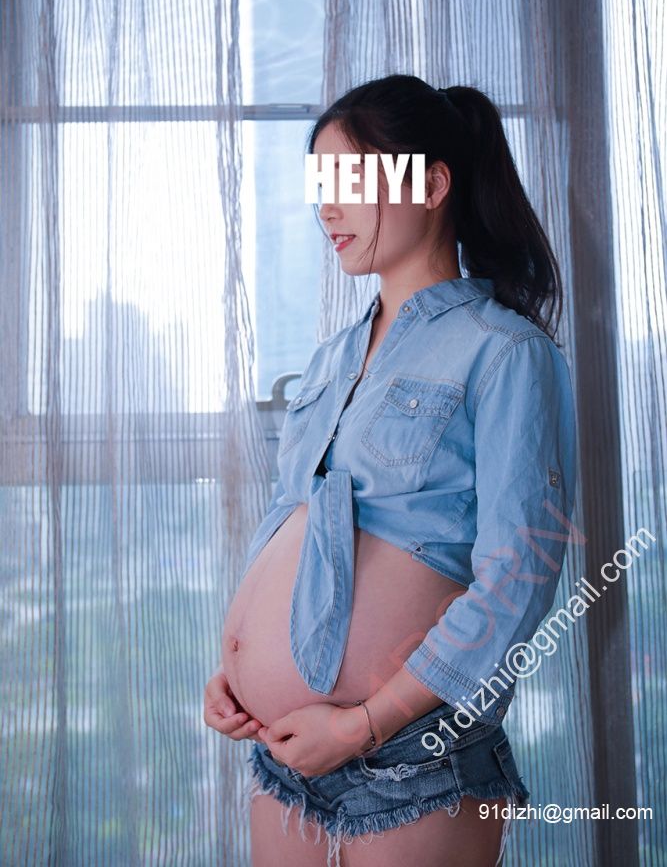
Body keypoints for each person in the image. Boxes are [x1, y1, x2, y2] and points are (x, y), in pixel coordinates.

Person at [203, 74, 577, 867]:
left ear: (432, 185)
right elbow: (289, 522)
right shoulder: (331, 359)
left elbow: (517, 578)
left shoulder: (506, 351)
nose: (326, 209)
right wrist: (234, 670)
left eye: (350, 180)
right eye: (321, 185)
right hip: (283, 758)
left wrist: (363, 723)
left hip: (413, 755)